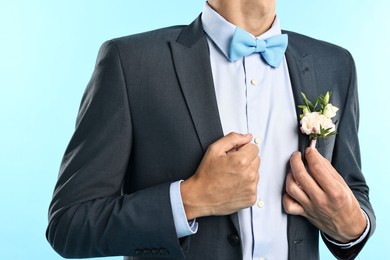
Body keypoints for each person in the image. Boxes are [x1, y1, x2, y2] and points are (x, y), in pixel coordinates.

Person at [46, 0, 375, 259]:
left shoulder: (335, 64)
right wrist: (190, 199)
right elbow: (69, 224)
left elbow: (355, 195)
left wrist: (351, 226)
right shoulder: (130, 62)